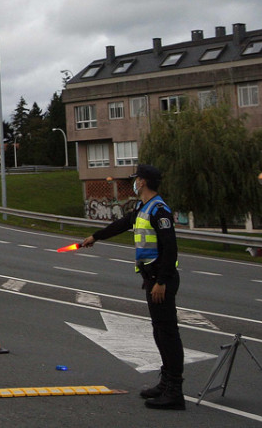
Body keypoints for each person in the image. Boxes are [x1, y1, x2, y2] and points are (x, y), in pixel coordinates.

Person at [80, 164, 185, 410]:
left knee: (168, 333)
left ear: (144, 181)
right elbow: (121, 225)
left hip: (162, 279)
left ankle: (175, 391)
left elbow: (170, 248)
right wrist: (95, 237)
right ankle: (166, 381)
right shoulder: (142, 208)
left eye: (137, 179)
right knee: (159, 331)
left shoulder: (159, 210)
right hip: (152, 277)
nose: (135, 183)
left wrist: (161, 281)